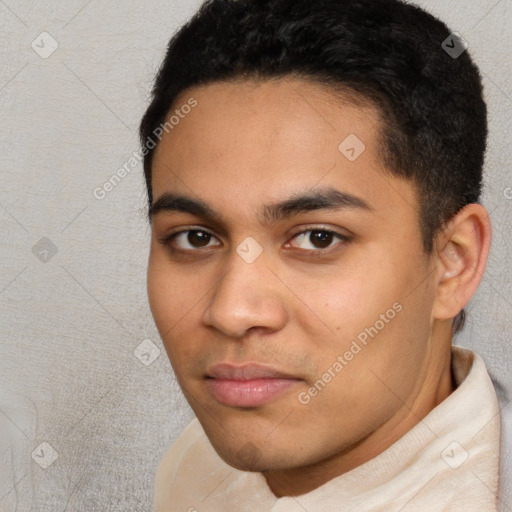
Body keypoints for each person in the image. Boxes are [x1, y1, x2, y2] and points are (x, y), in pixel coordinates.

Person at [139, 0, 501, 509]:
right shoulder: (195, 470)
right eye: (195, 238)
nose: (231, 311)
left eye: (317, 238)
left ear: (452, 262)